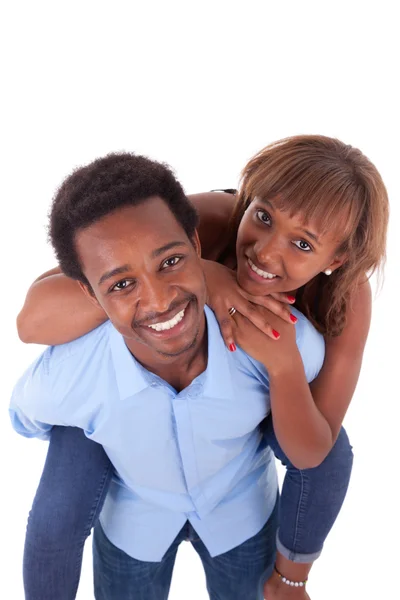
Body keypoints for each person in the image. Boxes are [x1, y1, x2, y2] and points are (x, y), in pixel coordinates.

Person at [16, 135, 389, 598]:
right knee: (57, 511)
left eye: (302, 244)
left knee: (333, 455)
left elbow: (314, 452)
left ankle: (291, 579)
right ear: (247, 200)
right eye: (264, 217)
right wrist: (203, 273)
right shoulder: (214, 218)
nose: (266, 252)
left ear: (337, 259)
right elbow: (68, 290)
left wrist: (285, 368)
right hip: (136, 372)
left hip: (255, 387)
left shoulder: (346, 301)